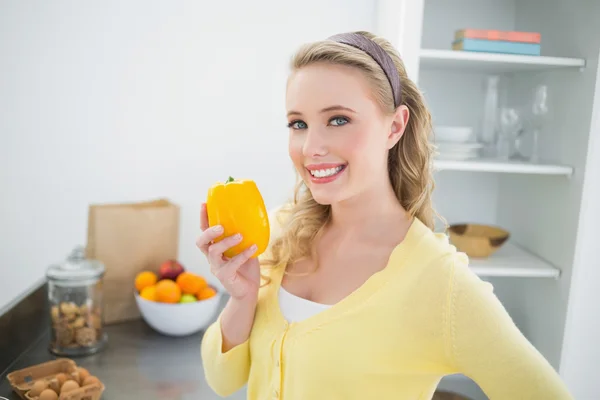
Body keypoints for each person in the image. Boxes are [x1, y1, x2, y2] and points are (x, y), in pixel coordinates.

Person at [197, 31, 573, 400]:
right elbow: (223, 380)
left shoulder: (440, 282)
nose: (311, 148)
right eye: (298, 124)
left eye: (338, 120)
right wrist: (242, 298)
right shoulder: (279, 230)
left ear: (394, 126)